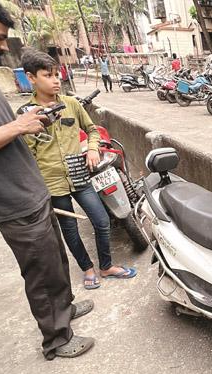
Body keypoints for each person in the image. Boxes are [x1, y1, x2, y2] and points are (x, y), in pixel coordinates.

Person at [0, 0, 94, 359]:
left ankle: (64, 310)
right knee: (40, 270)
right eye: (0, 37)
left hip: (30, 190)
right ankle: (57, 339)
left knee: (54, 259)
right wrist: (18, 125)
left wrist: (28, 121)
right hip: (11, 200)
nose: (5, 46)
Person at [19, 48, 137, 291]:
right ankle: (88, 269)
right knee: (70, 230)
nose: (56, 80)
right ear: (31, 78)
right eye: (48, 75)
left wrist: (93, 149)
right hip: (51, 182)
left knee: (102, 220)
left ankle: (106, 266)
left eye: (57, 74)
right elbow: (26, 155)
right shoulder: (25, 115)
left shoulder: (72, 104)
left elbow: (92, 130)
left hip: (79, 174)